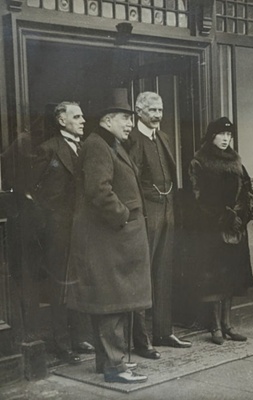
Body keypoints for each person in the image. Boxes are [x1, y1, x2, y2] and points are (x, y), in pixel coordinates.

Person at [66, 88, 152, 384]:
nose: (130, 123)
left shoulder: (109, 144)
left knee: (114, 301)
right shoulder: (98, 146)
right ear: (106, 120)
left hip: (116, 238)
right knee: (111, 302)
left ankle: (110, 362)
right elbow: (99, 191)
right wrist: (124, 217)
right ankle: (114, 367)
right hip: (110, 238)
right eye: (124, 118)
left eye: (130, 118)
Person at [128, 91, 191, 359]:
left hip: (167, 212)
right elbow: (129, 181)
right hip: (146, 215)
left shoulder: (163, 137)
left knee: (164, 272)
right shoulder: (132, 139)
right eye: (152, 110)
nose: (157, 115)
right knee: (142, 276)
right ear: (139, 111)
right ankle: (141, 342)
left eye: (160, 110)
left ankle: (163, 332)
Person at [31, 102, 94, 364]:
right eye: (76, 116)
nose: (82, 121)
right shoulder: (48, 149)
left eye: (82, 115)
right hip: (58, 230)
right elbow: (33, 193)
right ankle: (62, 344)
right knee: (60, 286)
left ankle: (80, 337)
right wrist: (48, 226)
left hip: (83, 229)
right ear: (61, 120)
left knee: (80, 283)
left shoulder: (86, 148)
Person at [188, 117, 253, 345]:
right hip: (212, 231)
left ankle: (228, 325)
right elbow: (198, 198)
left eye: (229, 135)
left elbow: (247, 190)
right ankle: (215, 326)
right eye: (221, 134)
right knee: (214, 278)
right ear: (211, 136)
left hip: (235, 231)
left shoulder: (236, 161)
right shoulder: (200, 162)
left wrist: (241, 216)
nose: (225, 139)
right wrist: (224, 217)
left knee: (231, 277)